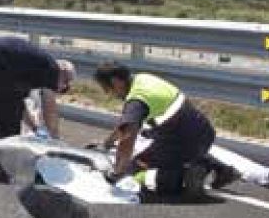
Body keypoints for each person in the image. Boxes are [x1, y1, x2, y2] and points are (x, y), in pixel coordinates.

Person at [92, 62, 236, 199]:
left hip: (183, 142)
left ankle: (186, 176)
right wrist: (108, 143)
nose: (107, 93)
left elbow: (127, 138)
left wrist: (118, 171)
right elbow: (125, 126)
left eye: (106, 88)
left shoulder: (136, 101)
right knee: (158, 138)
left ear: (116, 82)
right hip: (203, 132)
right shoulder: (143, 78)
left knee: (134, 169)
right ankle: (222, 169)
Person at [0, 36, 75, 145]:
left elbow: (20, 104)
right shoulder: (52, 69)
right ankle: (6, 156)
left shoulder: (36, 67)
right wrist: (54, 138)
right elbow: (50, 109)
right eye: (63, 88)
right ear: (63, 75)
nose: (59, 90)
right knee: (8, 117)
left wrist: (35, 128)